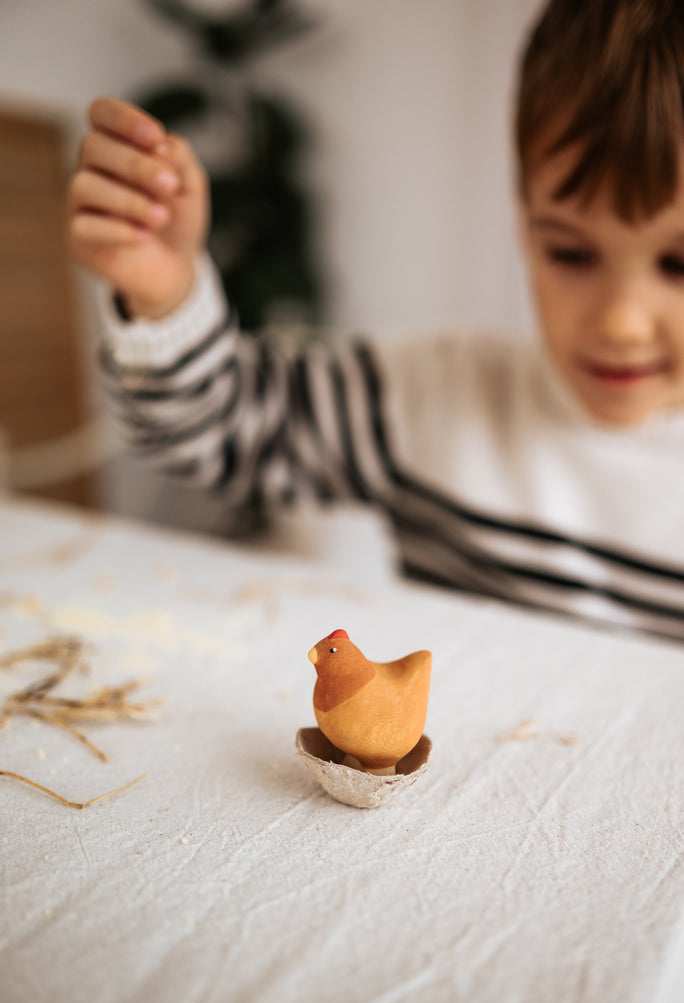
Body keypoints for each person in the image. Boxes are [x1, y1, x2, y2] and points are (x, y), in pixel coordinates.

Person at [68, 0, 684, 642]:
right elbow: (219, 424)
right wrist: (166, 294)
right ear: (525, 221)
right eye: (572, 253)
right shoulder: (434, 393)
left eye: (678, 264)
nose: (623, 324)